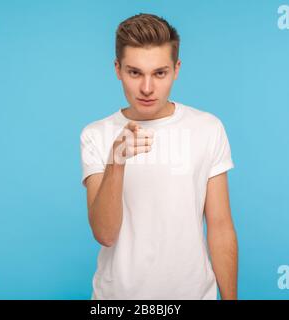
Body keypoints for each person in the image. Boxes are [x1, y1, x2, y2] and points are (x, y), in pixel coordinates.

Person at [80, 13, 238, 300]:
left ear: (176, 69)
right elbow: (104, 234)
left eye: (160, 73)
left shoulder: (207, 128)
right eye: (135, 72)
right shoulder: (96, 135)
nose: (147, 88)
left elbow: (220, 227)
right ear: (117, 69)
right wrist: (116, 162)